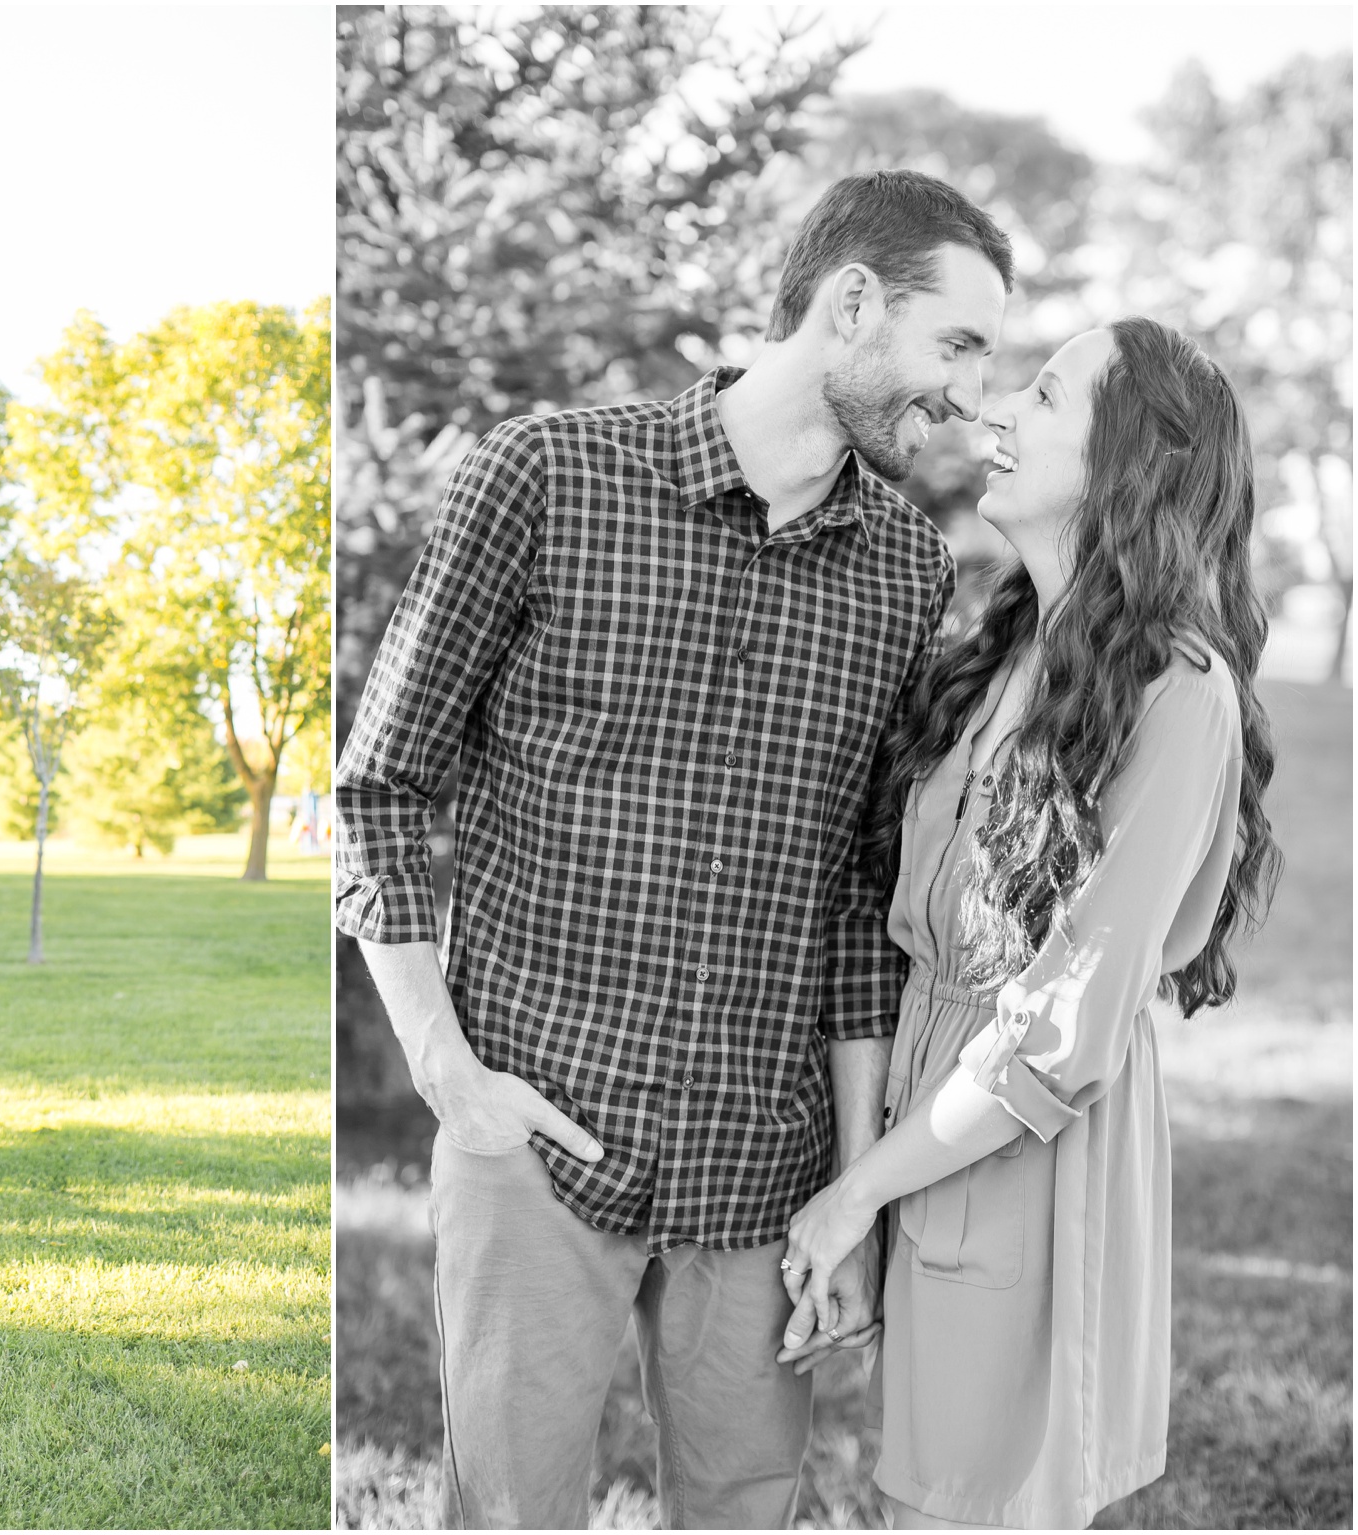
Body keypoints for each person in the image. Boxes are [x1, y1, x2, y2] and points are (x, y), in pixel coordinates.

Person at [334, 170, 1013, 1528]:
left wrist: (852, 1187)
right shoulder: (545, 475)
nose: (964, 394)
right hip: (537, 1123)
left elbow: (853, 895)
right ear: (852, 301)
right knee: (510, 1509)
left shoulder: (903, 569)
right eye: (958, 344)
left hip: (764, 1164)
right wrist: (446, 1069)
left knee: (748, 1507)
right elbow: (383, 784)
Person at [777, 317, 1279, 1529]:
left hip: (1026, 1151)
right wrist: (863, 1187)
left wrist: (850, 1200)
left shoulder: (1178, 692)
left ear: (1128, 461)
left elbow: (1060, 1031)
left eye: (1044, 397)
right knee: (924, 1499)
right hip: (929, 1126)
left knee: (970, 1505)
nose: (996, 412)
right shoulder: (999, 646)